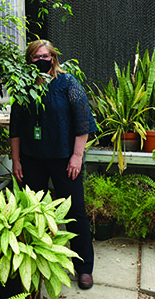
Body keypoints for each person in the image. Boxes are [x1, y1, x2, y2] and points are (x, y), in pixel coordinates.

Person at [10, 40, 97, 290]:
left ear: (54, 57)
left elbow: (83, 121)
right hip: (32, 160)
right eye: (36, 56)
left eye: (45, 55)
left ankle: (84, 268)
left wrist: (77, 156)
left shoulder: (67, 82)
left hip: (64, 161)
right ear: (29, 59)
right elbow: (15, 127)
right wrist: (16, 160)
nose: (41, 60)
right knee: (32, 212)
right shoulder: (24, 86)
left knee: (75, 211)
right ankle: (35, 264)